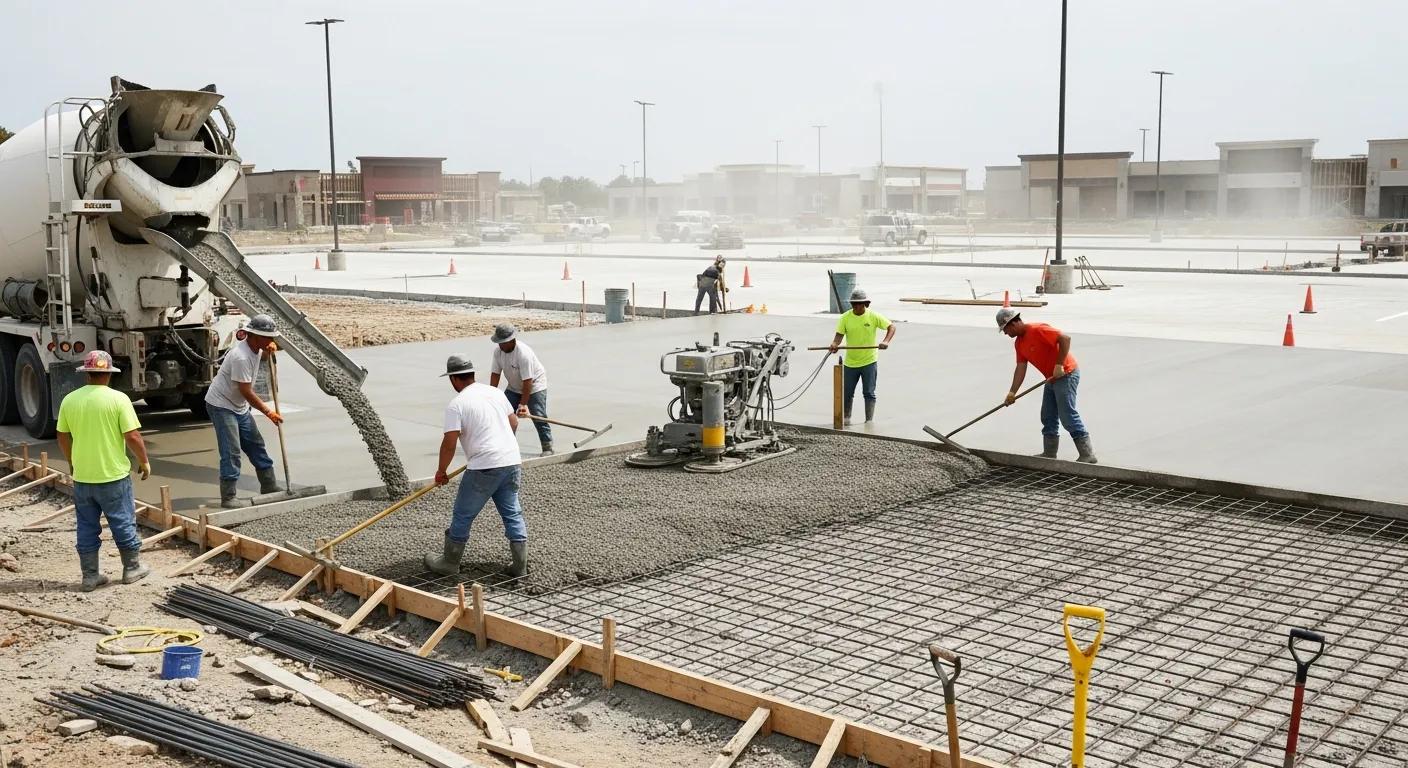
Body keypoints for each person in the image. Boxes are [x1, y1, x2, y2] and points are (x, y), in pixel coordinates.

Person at [423, 354, 529, 580]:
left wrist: (441, 471)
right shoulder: (495, 393)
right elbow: (513, 422)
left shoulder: (457, 405)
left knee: (463, 514)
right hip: (511, 461)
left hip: (484, 467)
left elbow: (449, 442)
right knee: (512, 513)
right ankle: (520, 566)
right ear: (472, 374)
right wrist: (502, 447)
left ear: (453, 380)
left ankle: (449, 563)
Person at [56, 351, 152, 591]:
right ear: (109, 374)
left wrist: (71, 461)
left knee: (87, 526)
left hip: (83, 478)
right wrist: (144, 461)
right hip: (113, 477)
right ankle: (131, 568)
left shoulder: (70, 400)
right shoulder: (119, 399)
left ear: (87, 374)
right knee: (122, 522)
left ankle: (90, 576)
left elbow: (62, 435)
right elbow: (132, 436)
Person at [996, 307, 1096, 463]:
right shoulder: (1019, 344)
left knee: (1067, 414)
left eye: (1005, 330)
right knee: (1048, 416)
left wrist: (1059, 365)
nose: (1006, 334)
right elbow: (1021, 368)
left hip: (1066, 374)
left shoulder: (1037, 329)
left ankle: (1087, 454)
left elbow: (1065, 338)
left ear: (1012, 324)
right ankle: (1049, 453)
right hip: (1051, 378)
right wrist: (1012, 392)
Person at [204, 314, 284, 507]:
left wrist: (272, 350)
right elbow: (246, 391)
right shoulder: (240, 357)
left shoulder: (257, 347)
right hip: (221, 405)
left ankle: (269, 485)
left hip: (238, 406)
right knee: (231, 451)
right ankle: (229, 496)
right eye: (268, 338)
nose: (271, 341)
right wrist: (268, 412)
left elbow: (262, 356)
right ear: (255, 336)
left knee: (256, 444)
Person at [827, 288, 896, 425]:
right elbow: (839, 336)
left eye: (859, 304)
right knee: (847, 392)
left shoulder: (873, 316)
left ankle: (869, 420)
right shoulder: (845, 317)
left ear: (866, 304)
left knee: (869, 392)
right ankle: (846, 418)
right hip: (851, 362)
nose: (856, 307)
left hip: (869, 361)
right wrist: (834, 345)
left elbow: (891, 327)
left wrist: (885, 341)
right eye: (854, 304)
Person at [488, 323, 553, 455]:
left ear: (511, 340)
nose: (500, 345)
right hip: (514, 387)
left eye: (502, 342)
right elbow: (495, 374)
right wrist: (491, 396)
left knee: (539, 416)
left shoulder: (523, 353)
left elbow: (528, 381)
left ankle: (547, 446)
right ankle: (508, 446)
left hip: (534, 386)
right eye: (498, 342)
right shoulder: (498, 352)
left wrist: (523, 404)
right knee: (504, 414)